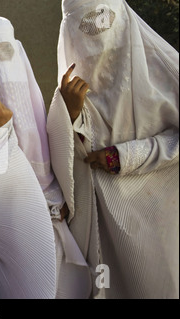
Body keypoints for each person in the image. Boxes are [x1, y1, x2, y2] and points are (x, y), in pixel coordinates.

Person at [0, 16, 90, 299]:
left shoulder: (36, 104)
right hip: (12, 247)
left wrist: (67, 113)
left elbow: (54, 160)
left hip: (58, 232)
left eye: (7, 55)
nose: (3, 73)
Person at [47, 0, 179, 298]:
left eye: (104, 25)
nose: (98, 45)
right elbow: (67, 167)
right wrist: (67, 116)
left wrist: (127, 156)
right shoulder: (69, 93)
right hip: (106, 230)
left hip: (165, 223)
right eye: (85, 30)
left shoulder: (163, 70)